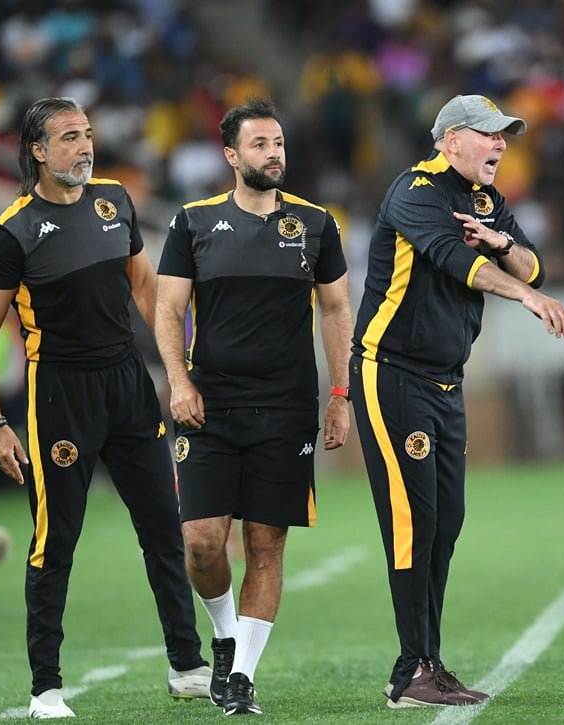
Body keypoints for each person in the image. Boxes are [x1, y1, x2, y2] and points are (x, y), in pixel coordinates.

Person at [0, 97, 210, 719]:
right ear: (39, 152)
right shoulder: (12, 230)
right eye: (69, 137)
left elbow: (147, 286)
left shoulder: (115, 201)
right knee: (56, 542)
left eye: (88, 134)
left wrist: (180, 365)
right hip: (59, 396)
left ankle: (187, 665)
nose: (84, 146)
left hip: (127, 384)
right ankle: (45, 687)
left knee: (164, 525)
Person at [349, 94, 564, 709]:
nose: (501, 144)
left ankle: (429, 660)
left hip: (445, 381)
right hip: (390, 373)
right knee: (412, 521)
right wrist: (522, 296)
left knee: (445, 524)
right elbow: (456, 264)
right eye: (489, 134)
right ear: (451, 139)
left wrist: (502, 245)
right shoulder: (416, 191)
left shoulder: (484, 200)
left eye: (505, 135)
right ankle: (409, 672)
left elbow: (534, 267)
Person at [154, 97, 353, 716]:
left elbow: (337, 310)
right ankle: (222, 636)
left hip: (286, 409)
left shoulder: (318, 225)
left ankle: (240, 677)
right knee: (202, 544)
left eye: (280, 144)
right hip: (207, 408)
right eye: (261, 145)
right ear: (231, 155)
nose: (275, 154)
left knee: (266, 546)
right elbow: (167, 310)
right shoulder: (192, 222)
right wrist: (180, 382)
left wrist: (340, 394)